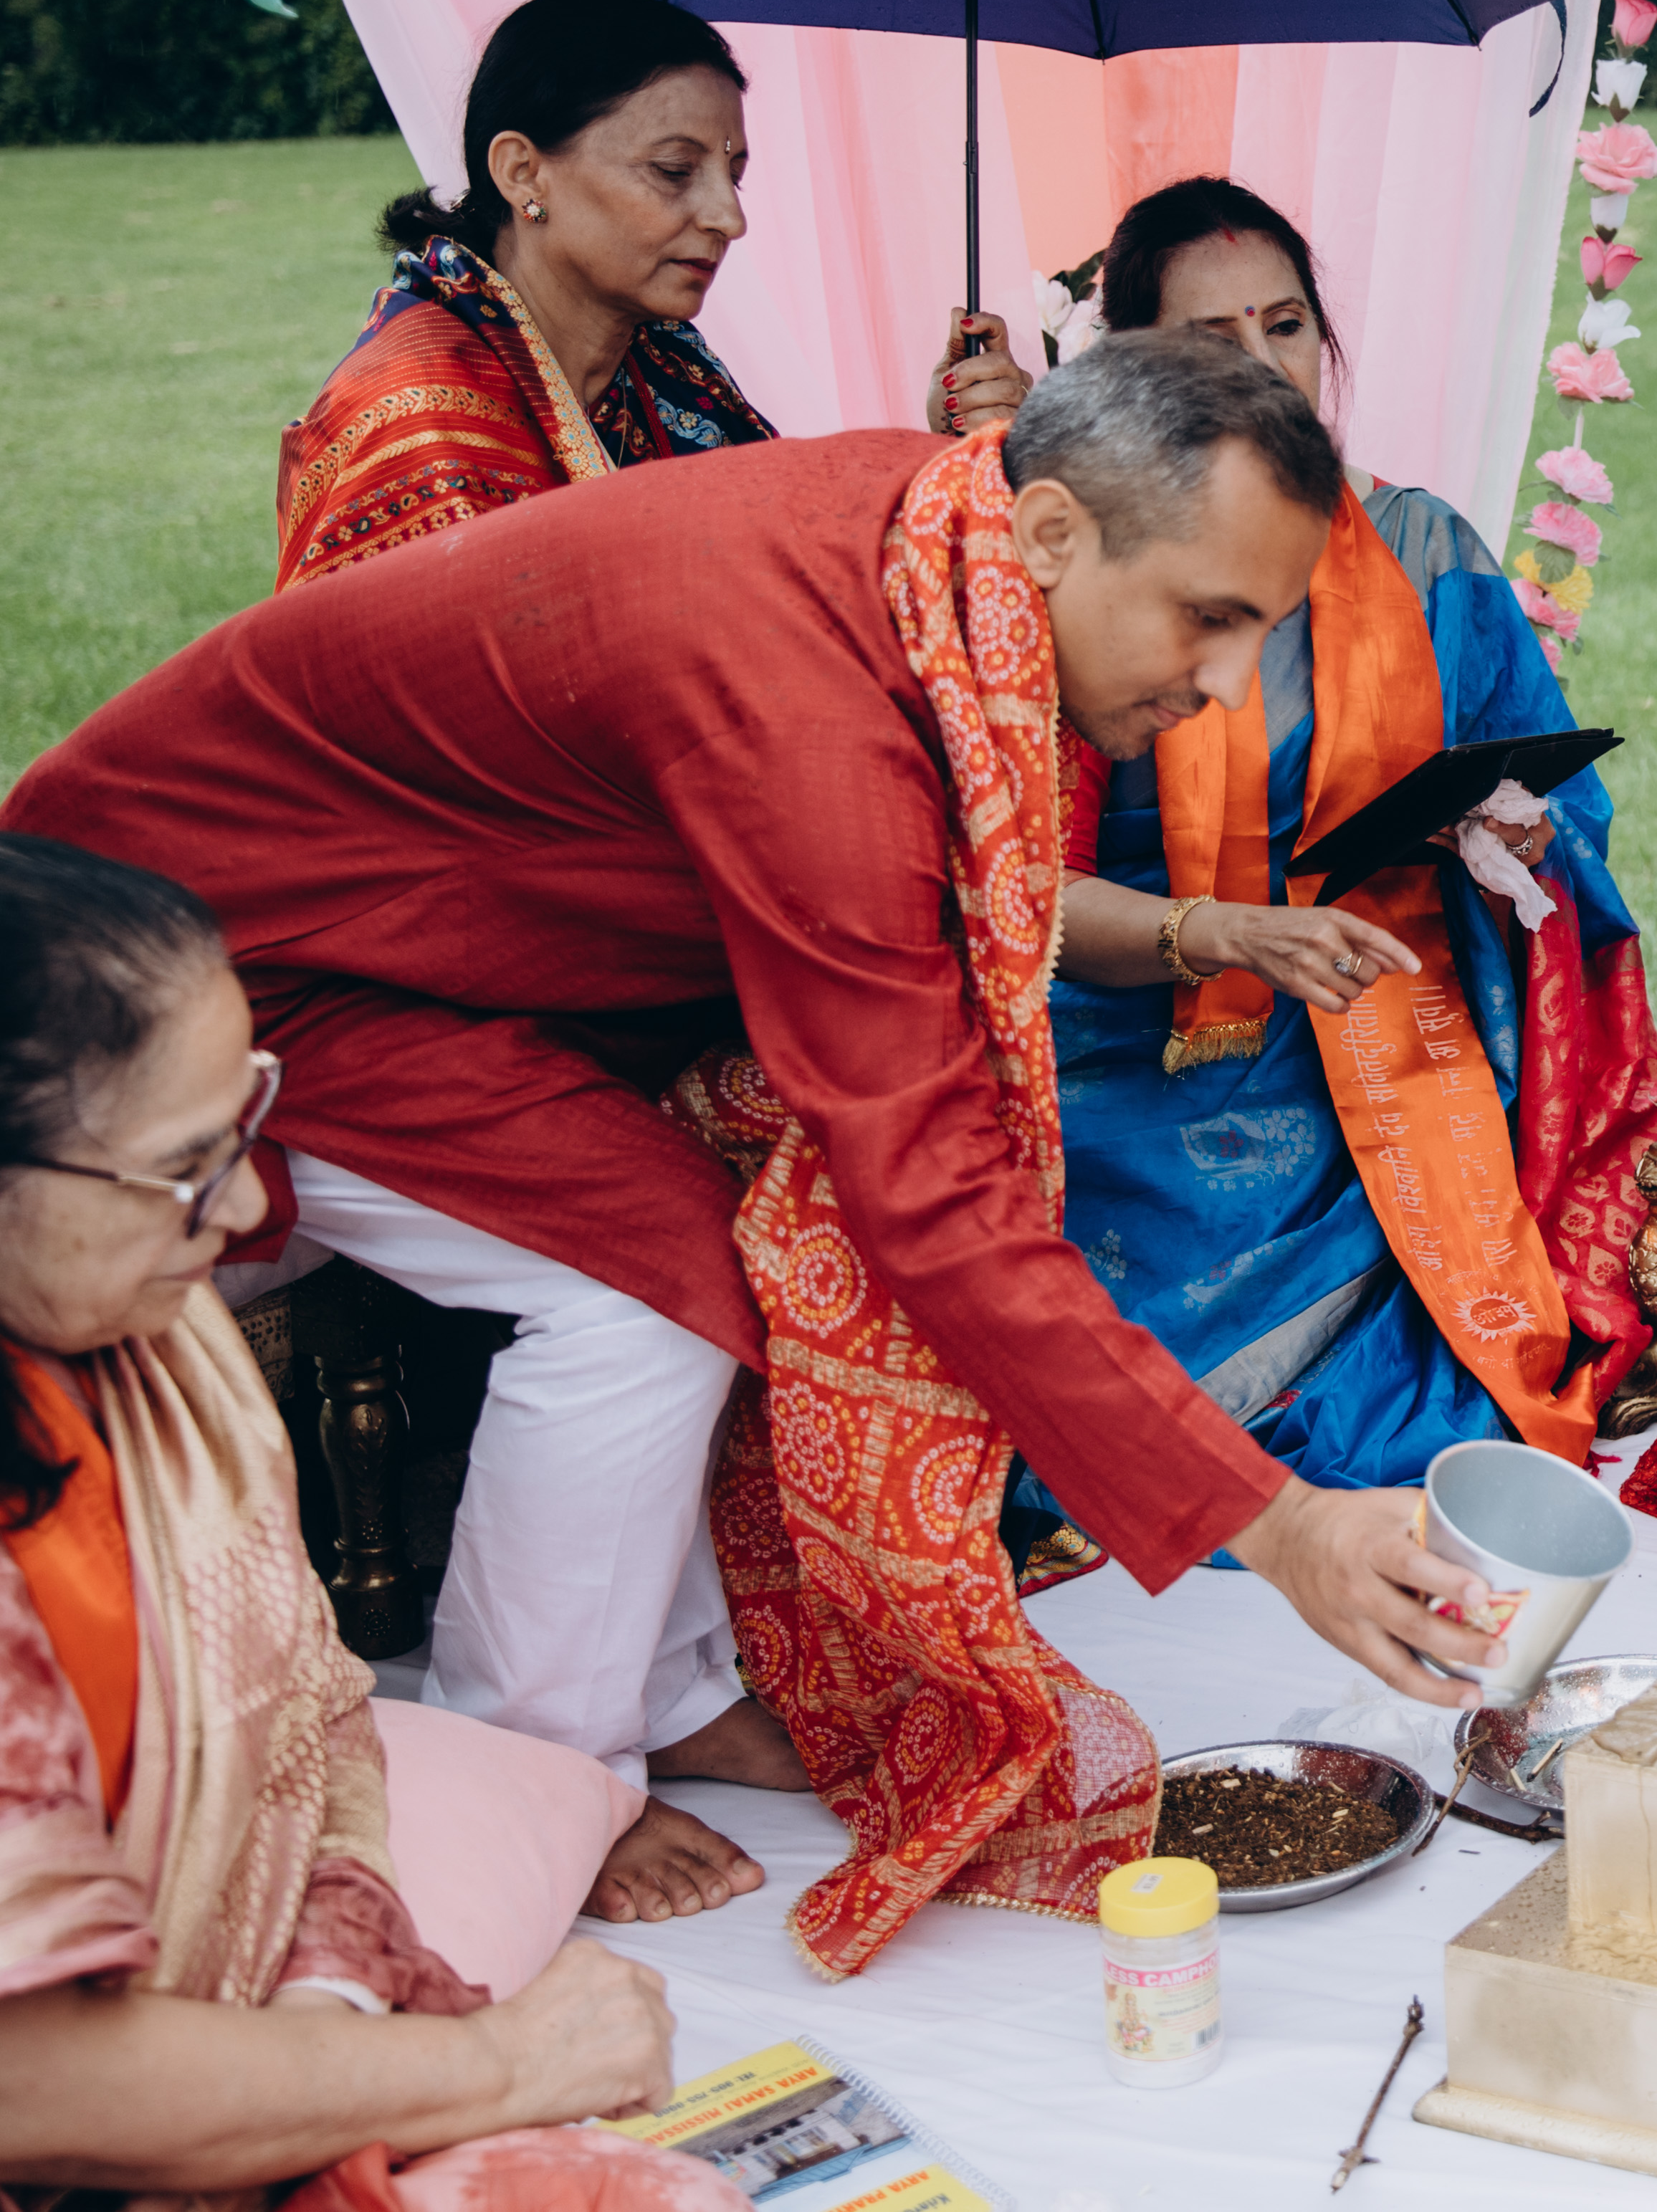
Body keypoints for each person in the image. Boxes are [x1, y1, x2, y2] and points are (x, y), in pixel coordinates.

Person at [4, 332, 1517, 1978]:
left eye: (1258, 630)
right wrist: (1276, 1520)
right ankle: (547, 1769)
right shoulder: (809, 705)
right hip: (194, 975)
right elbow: (929, 1189)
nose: (1224, 683)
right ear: (1052, 532)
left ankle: (668, 1694)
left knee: (692, 1230)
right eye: (1207, 617)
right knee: (640, 1289)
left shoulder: (938, 545)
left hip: (419, 946)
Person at [0, 836, 747, 2212]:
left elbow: (319, 1718)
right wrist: (481, 2069)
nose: (244, 1209)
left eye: (246, 1122)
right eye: (183, 1167)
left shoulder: (159, 1354)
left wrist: (331, 2009)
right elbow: (27, 2089)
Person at [1020, 177, 1657, 1550]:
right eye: (1212, 340)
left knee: (1430, 1380)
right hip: (1113, 1047)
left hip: (1362, 1026)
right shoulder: (1064, 566)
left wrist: (1512, 840)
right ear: (1130, 361)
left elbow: (1557, 806)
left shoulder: (1421, 549)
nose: (1264, 370)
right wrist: (1219, 933)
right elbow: (1001, 889)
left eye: (1286, 328)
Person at [276, 0, 773, 589]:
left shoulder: (673, 368)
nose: (729, 218)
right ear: (523, 173)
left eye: (734, 177)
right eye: (674, 171)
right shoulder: (415, 420)